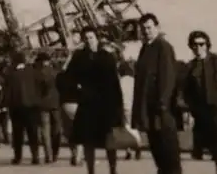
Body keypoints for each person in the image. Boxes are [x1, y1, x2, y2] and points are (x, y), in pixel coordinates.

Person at [66, 27, 124, 174]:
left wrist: (118, 106)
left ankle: (113, 169)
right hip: (88, 103)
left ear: (97, 39)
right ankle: (91, 170)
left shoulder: (107, 57)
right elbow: (68, 78)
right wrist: (77, 90)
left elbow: (114, 83)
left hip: (106, 103)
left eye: (91, 37)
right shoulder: (78, 57)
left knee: (109, 140)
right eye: (86, 39)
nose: (88, 41)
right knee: (88, 141)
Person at [132, 13, 181, 174]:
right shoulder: (145, 49)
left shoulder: (163, 47)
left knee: (169, 157)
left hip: (162, 112)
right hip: (150, 111)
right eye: (143, 28)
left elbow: (168, 77)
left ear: (157, 28)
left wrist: (163, 104)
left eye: (149, 28)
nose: (146, 31)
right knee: (159, 156)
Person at [183, 31, 217, 174]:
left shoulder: (216, 60)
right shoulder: (191, 67)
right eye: (195, 45)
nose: (198, 47)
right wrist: (189, 110)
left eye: (201, 44)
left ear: (207, 45)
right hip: (203, 111)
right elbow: (187, 91)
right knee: (215, 145)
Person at [3, 51, 40, 165]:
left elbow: (7, 91)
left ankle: (18, 157)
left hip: (16, 106)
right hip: (31, 106)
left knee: (17, 134)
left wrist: (5, 103)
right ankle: (35, 156)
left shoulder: (10, 73)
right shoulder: (33, 72)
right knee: (32, 132)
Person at [35, 51, 62, 163]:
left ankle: (48, 155)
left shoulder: (36, 74)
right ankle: (55, 153)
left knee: (45, 130)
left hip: (42, 105)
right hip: (56, 104)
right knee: (56, 129)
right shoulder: (56, 72)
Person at [118, 61, 141, 160]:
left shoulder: (120, 81)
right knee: (134, 127)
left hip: (123, 106)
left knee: (126, 128)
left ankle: (129, 150)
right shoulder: (134, 81)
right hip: (134, 106)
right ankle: (137, 146)